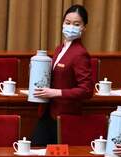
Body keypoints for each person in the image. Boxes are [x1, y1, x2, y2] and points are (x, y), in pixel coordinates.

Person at [31, 4, 93, 146]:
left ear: (84, 28)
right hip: (47, 111)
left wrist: (55, 93)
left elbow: (87, 90)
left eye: (76, 24)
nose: (71, 26)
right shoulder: (60, 48)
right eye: (67, 22)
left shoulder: (80, 54)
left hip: (63, 115)